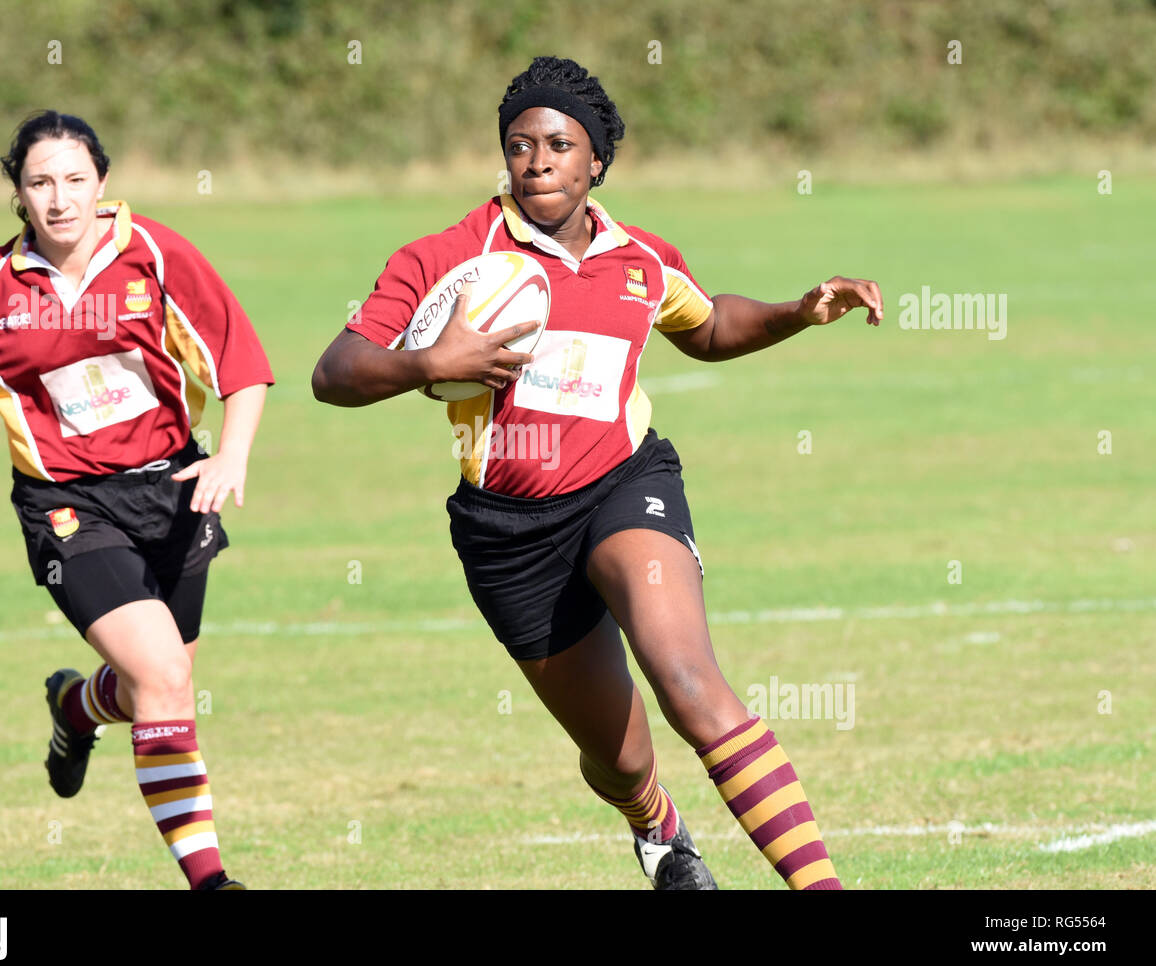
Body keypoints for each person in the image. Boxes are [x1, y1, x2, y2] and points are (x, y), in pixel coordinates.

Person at [314, 56, 882, 890]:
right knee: (618, 757)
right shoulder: (447, 256)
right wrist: (434, 359)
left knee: (689, 684)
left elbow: (710, 324)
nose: (536, 160)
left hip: (624, 485)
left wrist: (798, 311)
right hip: (507, 533)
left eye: (558, 144)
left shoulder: (640, 259)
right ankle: (656, 826)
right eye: (518, 145)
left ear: (596, 162)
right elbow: (336, 372)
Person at [0, 110, 273, 890]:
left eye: (76, 180)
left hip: (175, 492)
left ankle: (75, 709)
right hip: (67, 507)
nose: (60, 198)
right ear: (18, 192)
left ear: (103, 184)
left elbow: (241, 365)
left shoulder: (158, 257)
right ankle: (211, 881)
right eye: (40, 182)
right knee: (167, 682)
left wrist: (231, 457)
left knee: (154, 687)